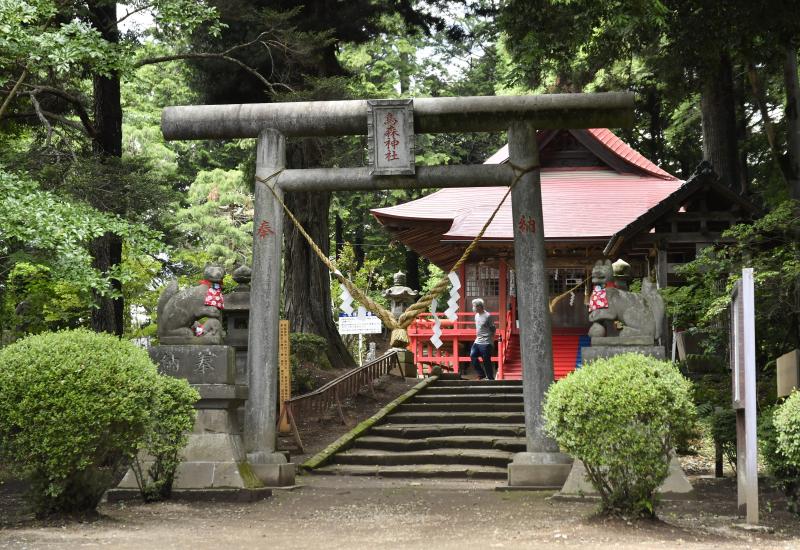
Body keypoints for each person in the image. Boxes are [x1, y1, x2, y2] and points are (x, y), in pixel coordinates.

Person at [469, 298, 496, 380]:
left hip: (486, 341)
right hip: (477, 340)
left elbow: (493, 328)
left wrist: (491, 340)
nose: (473, 308)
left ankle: (490, 378)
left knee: (486, 360)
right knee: (472, 356)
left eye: (474, 306)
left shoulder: (488, 316)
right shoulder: (476, 315)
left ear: (479, 306)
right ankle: (481, 374)